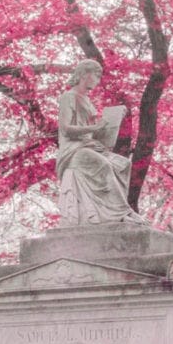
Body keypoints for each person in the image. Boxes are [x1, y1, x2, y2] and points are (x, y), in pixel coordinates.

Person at [56, 59, 147, 226]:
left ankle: (119, 210)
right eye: (96, 75)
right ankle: (122, 213)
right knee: (103, 165)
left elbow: (93, 131)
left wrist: (112, 121)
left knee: (123, 164)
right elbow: (65, 129)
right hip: (73, 151)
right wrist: (94, 128)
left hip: (89, 146)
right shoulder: (68, 97)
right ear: (84, 74)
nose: (98, 80)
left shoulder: (87, 100)